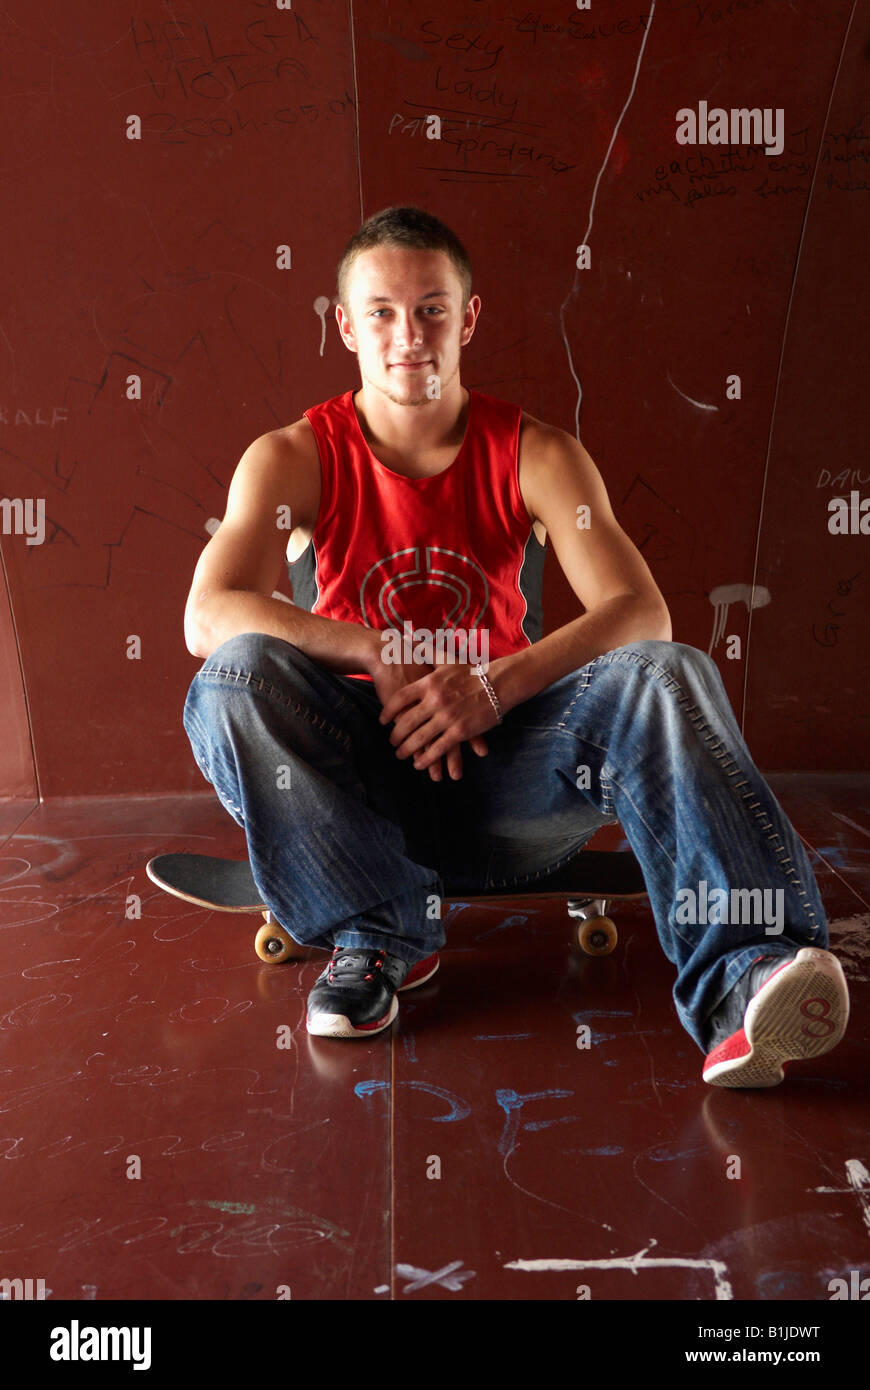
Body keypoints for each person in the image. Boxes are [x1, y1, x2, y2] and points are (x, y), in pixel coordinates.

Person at [181, 206, 849, 1086]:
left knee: (666, 672)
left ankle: (746, 980)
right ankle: (380, 934)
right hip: (356, 790)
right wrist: (373, 647)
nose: (408, 335)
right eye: (380, 311)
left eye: (431, 308)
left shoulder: (537, 451)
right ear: (343, 325)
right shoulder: (292, 456)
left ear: (469, 318)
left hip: (510, 781)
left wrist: (494, 686)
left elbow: (641, 612)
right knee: (233, 678)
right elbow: (207, 614)